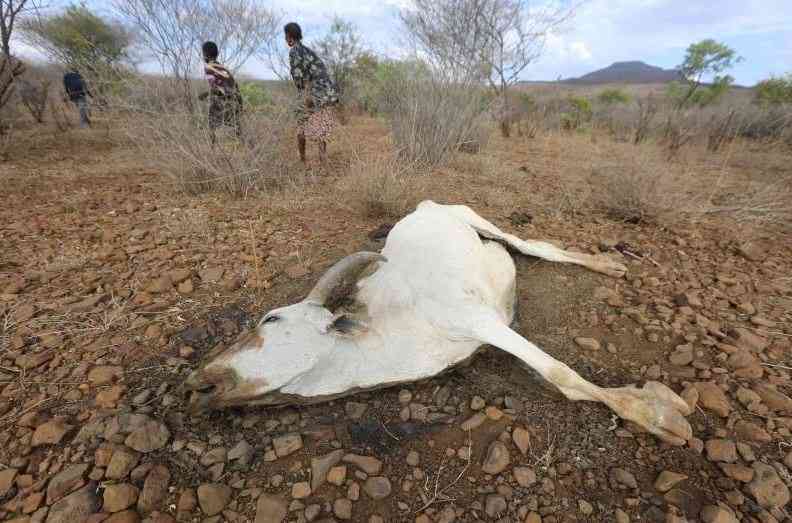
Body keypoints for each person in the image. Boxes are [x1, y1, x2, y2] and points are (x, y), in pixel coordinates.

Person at [285, 22, 339, 165]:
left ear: (289, 36)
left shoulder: (295, 51)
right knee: (322, 126)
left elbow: (300, 78)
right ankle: (322, 159)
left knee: (301, 125)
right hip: (327, 93)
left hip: (312, 92)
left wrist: (306, 97)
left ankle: (302, 160)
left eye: (286, 35)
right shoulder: (308, 51)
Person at [198, 41, 243, 144]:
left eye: (203, 53)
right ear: (217, 53)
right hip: (236, 100)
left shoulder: (209, 67)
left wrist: (205, 95)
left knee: (212, 123)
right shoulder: (221, 67)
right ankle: (240, 145)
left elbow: (217, 90)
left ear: (205, 54)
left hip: (226, 99)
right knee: (235, 127)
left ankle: (213, 147)